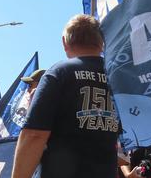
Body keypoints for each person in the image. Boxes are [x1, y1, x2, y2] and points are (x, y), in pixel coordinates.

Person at [12, 14, 120, 178]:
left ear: (65, 42)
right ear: (101, 42)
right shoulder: (118, 76)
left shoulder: (59, 72)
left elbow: (35, 134)